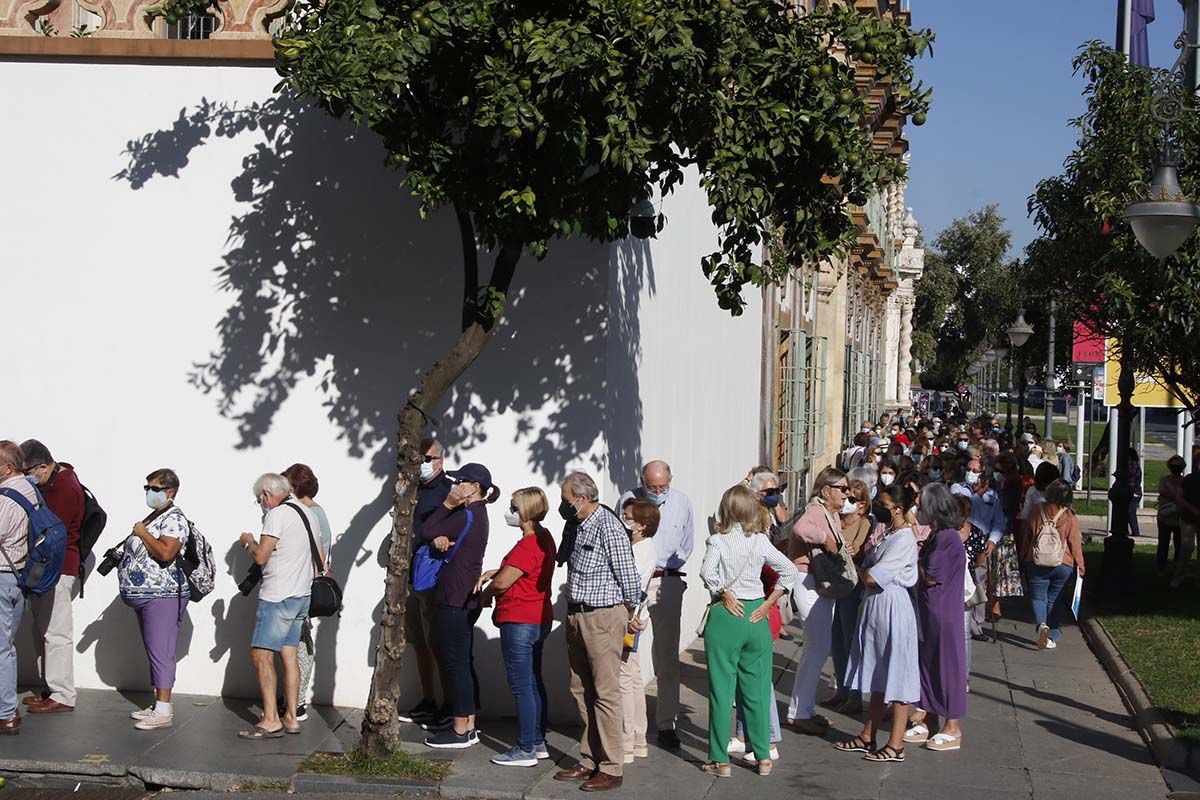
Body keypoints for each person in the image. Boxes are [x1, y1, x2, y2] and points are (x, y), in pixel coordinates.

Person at [699, 485, 797, 778]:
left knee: (721, 691)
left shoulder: (717, 540)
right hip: (756, 615)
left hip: (727, 615)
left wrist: (722, 591)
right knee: (757, 691)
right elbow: (789, 570)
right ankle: (763, 756)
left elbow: (706, 572)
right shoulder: (761, 542)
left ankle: (720, 760)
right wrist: (769, 603)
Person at [554, 472, 643, 792]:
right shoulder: (576, 524)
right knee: (580, 690)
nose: (562, 505)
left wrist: (632, 612)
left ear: (582, 497)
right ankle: (590, 758)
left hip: (603, 617)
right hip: (577, 615)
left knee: (606, 693)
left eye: (566, 500)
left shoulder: (607, 526)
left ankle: (611, 766)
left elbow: (629, 576)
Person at [834, 484, 920, 763]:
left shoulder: (904, 538)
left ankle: (896, 744)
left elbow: (872, 575)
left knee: (898, 673)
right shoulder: (889, 534)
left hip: (892, 605)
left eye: (882, 503)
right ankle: (868, 735)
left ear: (898, 508)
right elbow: (867, 565)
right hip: (876, 606)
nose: (877, 507)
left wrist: (863, 569)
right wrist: (863, 565)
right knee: (879, 673)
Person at [237, 473, 325, 738]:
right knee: (289, 656)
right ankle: (291, 718)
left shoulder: (276, 515)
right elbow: (319, 558)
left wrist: (248, 542)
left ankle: (271, 719)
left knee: (261, 655)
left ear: (266, 494)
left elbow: (262, 555)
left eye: (259, 499)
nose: (261, 503)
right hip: (301, 596)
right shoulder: (308, 513)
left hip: (277, 596)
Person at [419, 463, 498, 749]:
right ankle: (469, 723)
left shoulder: (464, 514)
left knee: (456, 664)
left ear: (474, 487)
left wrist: (447, 503)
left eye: (461, 481)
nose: (455, 486)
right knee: (462, 662)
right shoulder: (476, 514)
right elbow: (434, 533)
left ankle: (460, 729)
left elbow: (426, 528)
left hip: (454, 597)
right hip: (464, 596)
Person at [478, 487, 556, 767]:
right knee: (534, 680)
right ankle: (537, 741)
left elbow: (503, 583)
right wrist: (494, 572)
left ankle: (525, 749)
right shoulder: (545, 538)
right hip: (539, 617)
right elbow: (517, 572)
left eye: (513, 507)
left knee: (522, 685)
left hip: (520, 618)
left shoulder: (528, 544)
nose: (510, 512)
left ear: (524, 512)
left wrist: (486, 595)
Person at [617, 460, 693, 749]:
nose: (659, 491)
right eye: (653, 487)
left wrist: (665, 569)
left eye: (664, 486)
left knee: (666, 655)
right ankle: (633, 730)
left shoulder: (683, 502)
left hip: (665, 581)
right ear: (642, 481)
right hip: (633, 580)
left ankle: (666, 723)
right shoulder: (628, 500)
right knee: (627, 655)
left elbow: (686, 543)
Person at [119, 469, 191, 730]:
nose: (149, 492)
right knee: (155, 650)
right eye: (147, 487)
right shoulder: (157, 516)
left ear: (170, 492)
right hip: (147, 595)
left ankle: (163, 710)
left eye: (154, 488)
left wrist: (142, 533)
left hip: (163, 595)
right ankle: (158, 704)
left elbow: (165, 551)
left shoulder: (174, 519)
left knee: (162, 651)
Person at [19, 440, 83, 714]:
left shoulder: (64, 488)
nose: (25, 478)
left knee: (56, 632)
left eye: (27, 472)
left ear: (43, 466)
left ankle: (63, 694)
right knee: (44, 630)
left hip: (58, 568)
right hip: (50, 568)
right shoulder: (56, 481)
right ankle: (50, 689)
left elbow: (48, 531)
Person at [785, 467, 848, 735]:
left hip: (818, 582)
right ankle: (799, 713)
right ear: (826, 490)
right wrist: (825, 539)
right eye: (842, 489)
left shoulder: (829, 513)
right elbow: (800, 528)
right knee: (817, 646)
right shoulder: (815, 509)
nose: (846, 494)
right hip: (809, 581)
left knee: (818, 647)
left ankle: (804, 709)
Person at [905, 484, 968, 752]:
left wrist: (915, 559)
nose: (917, 509)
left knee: (947, 667)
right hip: (931, 613)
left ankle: (952, 727)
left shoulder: (946, 538)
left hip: (944, 614)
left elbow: (932, 575)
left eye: (921, 504)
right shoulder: (938, 535)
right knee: (928, 664)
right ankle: (928, 714)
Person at [400, 438, 455, 729]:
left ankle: (449, 704)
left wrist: (439, 538)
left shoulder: (449, 492)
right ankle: (428, 699)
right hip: (411, 577)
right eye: (419, 457)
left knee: (438, 644)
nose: (422, 462)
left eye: (428, 458)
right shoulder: (413, 489)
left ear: (440, 461)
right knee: (420, 643)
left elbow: (457, 531)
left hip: (433, 577)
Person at [280, 463, 331, 722]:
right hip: (301, 584)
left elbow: (319, 552)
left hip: (303, 585)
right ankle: (293, 698)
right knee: (297, 641)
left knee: (300, 643)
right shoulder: (310, 511)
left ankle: (297, 701)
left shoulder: (311, 513)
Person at [616, 498, 658, 765]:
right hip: (634, 618)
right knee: (631, 675)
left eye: (629, 516)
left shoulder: (642, 550)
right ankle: (637, 738)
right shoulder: (639, 547)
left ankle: (626, 741)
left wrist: (631, 617)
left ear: (643, 525)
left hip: (629, 619)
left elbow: (635, 587)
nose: (624, 518)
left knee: (624, 678)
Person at [1021, 479, 1085, 650]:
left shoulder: (1037, 510)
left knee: (1038, 596)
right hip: (1063, 563)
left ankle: (1042, 625)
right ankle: (1052, 635)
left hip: (1037, 560)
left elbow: (1028, 535)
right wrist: (1080, 564)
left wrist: (1024, 554)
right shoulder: (1069, 515)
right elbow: (1074, 542)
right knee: (1054, 599)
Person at [827, 480, 872, 715]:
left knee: (850, 637)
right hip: (833, 584)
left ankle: (855, 694)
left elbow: (852, 549)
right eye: (846, 496)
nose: (847, 502)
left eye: (853, 499)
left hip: (851, 586)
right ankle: (842, 689)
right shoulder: (835, 519)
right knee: (836, 639)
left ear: (862, 504)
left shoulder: (864, 523)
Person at [0, 442, 35, 735]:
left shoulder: (7, 498)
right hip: (19, 576)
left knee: (1, 649)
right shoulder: (30, 489)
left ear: (8, 468)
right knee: (5, 646)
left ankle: (6, 713)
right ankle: (7, 709)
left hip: (2, 576)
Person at [1157, 456, 1186, 574]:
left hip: (1178, 517)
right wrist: (1178, 496)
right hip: (1166, 516)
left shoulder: (1183, 481)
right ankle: (1161, 566)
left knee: (1179, 544)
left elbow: (1165, 493)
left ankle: (1176, 566)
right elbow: (1163, 491)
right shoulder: (1165, 480)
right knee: (1163, 542)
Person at [1174, 464, 1200, 589]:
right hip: (1188, 518)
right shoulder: (1190, 479)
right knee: (1187, 547)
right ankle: (1179, 577)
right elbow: (1179, 497)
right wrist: (1192, 509)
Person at [1128, 450, 1144, 539]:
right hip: (1135, 491)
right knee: (1129, 512)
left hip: (1133, 492)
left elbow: (1132, 478)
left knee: (1130, 512)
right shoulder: (1135, 465)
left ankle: (1135, 531)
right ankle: (1134, 531)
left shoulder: (1132, 465)